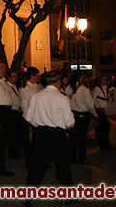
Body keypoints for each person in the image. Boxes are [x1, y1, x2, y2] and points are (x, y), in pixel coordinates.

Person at [23, 71, 76, 207]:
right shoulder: (62, 98)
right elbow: (69, 121)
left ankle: (27, 196)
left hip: (41, 133)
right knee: (63, 166)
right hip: (57, 134)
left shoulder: (37, 96)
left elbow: (29, 117)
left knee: (37, 166)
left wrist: (40, 125)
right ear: (58, 82)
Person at [20, 67, 41, 171]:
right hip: (30, 120)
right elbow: (24, 105)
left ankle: (37, 161)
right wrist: (28, 120)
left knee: (37, 143)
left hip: (38, 119)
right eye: (37, 75)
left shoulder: (37, 87)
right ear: (32, 75)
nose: (38, 77)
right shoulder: (25, 88)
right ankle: (30, 163)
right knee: (30, 143)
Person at [6, 70, 24, 159]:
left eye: (16, 76)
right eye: (13, 76)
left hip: (18, 112)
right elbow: (9, 101)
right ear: (8, 77)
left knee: (18, 132)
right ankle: (13, 151)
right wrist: (16, 108)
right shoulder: (7, 87)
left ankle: (16, 149)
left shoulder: (15, 86)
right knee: (13, 133)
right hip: (12, 112)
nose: (15, 78)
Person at [92, 75, 112, 150]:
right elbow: (94, 99)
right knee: (102, 128)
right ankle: (103, 145)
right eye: (103, 80)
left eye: (105, 80)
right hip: (101, 111)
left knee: (107, 128)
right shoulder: (97, 89)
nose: (104, 81)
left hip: (107, 110)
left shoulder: (106, 88)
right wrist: (97, 108)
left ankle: (106, 144)